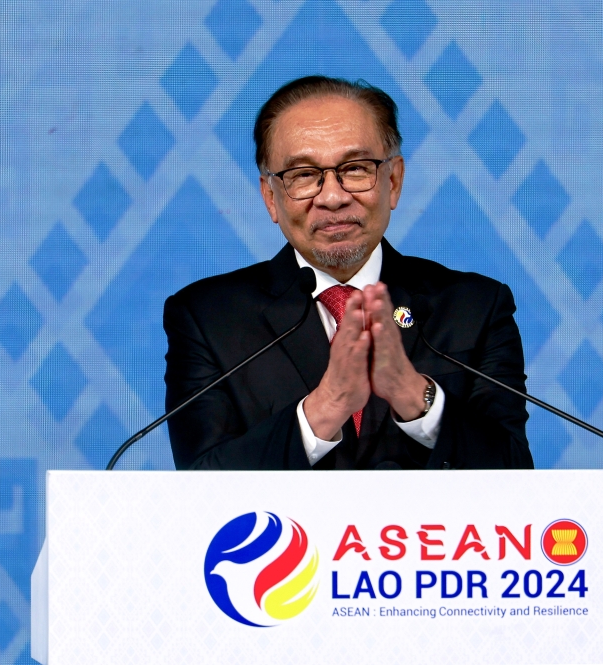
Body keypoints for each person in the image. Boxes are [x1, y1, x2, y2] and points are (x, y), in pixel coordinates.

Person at [164, 76, 533, 470]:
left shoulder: (475, 307)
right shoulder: (207, 317)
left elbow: (514, 475)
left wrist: (413, 394)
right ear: (271, 198)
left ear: (393, 181)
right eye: (303, 175)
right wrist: (327, 407)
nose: (333, 197)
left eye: (355, 169)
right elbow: (200, 489)